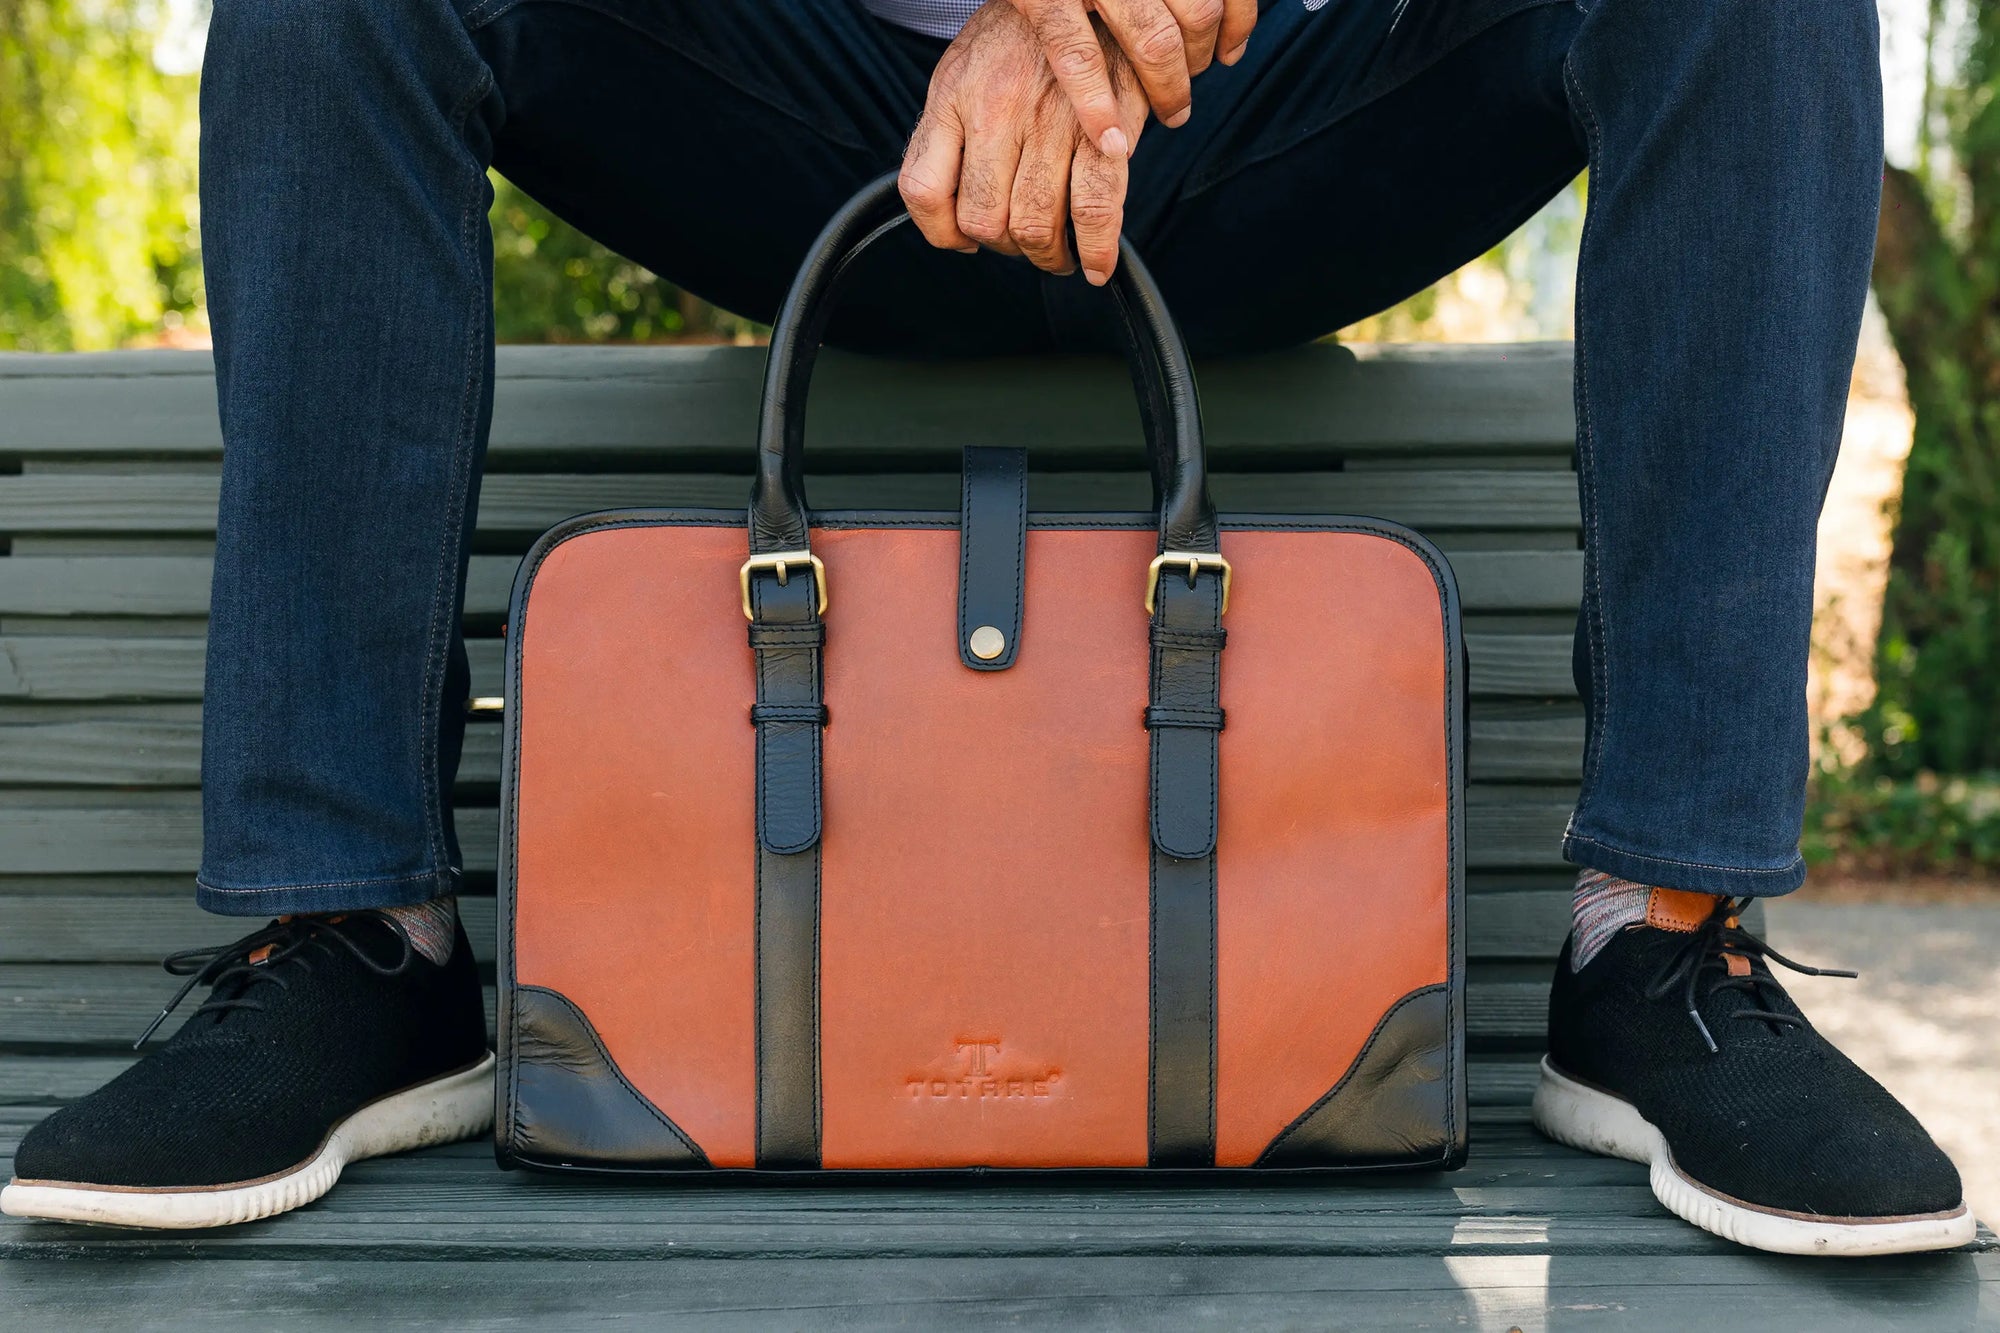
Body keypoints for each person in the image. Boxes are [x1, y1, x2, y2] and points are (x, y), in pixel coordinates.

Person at [0, 0, 1973, 1255]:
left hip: (1268, 101)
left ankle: (1664, 945)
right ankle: (357, 934)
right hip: (805, 100)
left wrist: (1098, 24)